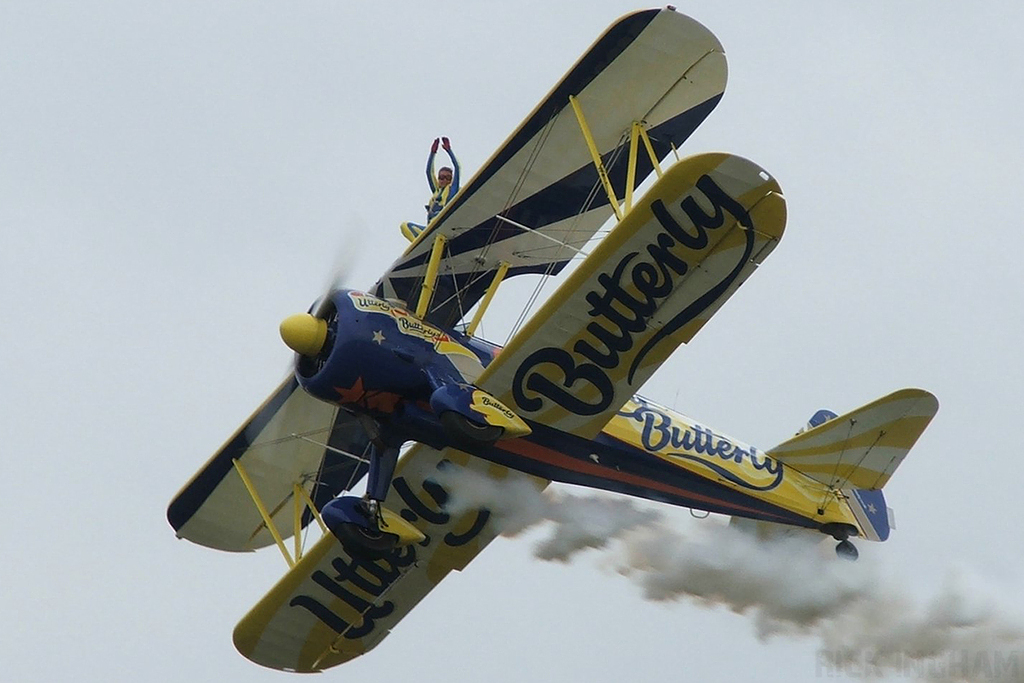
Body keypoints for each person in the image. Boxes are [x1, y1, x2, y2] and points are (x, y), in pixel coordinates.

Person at [400, 137, 461, 242]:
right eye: (441, 177)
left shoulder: (452, 189)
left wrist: (449, 150)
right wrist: (433, 153)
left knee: (437, 219)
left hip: (442, 224)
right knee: (404, 226)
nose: (443, 180)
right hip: (430, 229)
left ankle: (427, 244)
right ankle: (421, 247)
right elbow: (429, 172)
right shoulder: (436, 191)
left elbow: (458, 168)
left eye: (447, 178)